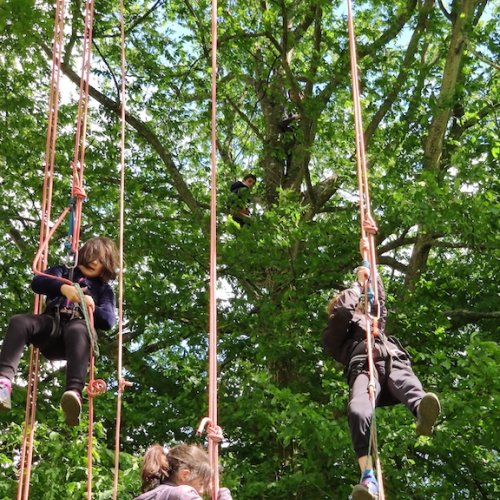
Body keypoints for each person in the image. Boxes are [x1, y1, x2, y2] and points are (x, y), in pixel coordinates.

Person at [322, 249, 441, 500]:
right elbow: (343, 312)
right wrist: (356, 286)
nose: (360, 305)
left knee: (407, 382)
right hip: (365, 370)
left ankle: (421, 412)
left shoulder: (375, 322)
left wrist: (369, 266)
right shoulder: (336, 337)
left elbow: (380, 298)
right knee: (357, 411)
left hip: (391, 361)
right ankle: (367, 477)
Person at [0, 236, 118, 426]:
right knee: (19, 322)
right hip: (52, 326)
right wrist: (63, 288)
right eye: (91, 255)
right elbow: (38, 282)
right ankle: (3, 383)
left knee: (77, 329)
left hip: (76, 337)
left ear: (107, 265)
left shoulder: (104, 289)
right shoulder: (63, 271)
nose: (94, 261)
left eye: (101, 259)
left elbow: (109, 321)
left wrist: (92, 307)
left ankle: (74, 393)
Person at [135, 443, 233, 500]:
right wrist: (223, 494)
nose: (203, 491)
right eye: (201, 483)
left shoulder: (153, 495)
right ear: (185, 474)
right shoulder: (183, 494)